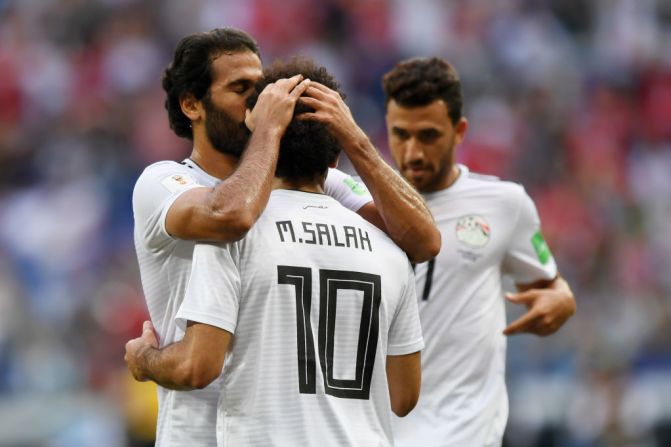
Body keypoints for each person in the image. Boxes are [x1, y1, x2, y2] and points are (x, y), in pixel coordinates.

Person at [132, 28, 439, 446]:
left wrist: (353, 137)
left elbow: (423, 241)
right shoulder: (166, 182)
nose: (258, 103)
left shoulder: (318, 183)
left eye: (260, 88)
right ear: (191, 105)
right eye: (240, 89)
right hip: (198, 432)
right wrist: (269, 134)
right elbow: (232, 213)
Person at [381, 57, 576, 446]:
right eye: (400, 134)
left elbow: (552, 286)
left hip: (465, 429)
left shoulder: (505, 204)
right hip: (381, 427)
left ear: (460, 131)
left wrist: (561, 301)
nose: (413, 152)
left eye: (429, 135)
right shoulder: (359, 203)